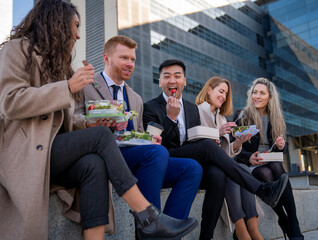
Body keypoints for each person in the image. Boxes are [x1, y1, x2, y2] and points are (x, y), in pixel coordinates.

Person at [0, 1, 197, 240]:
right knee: (107, 141)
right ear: (57, 23)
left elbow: (69, 119)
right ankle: (148, 217)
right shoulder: (15, 50)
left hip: (61, 152)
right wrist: (68, 87)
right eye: (75, 26)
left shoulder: (65, 68)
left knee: (93, 164)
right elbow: (10, 102)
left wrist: (88, 124)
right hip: (27, 152)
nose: (78, 34)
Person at [143, 59, 288, 240]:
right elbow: (155, 144)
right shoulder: (149, 107)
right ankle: (261, 189)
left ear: (184, 81)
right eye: (167, 76)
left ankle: (206, 236)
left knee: (217, 174)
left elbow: (193, 139)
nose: (172, 80)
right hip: (167, 159)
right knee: (207, 146)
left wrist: (224, 141)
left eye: (177, 76)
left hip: (191, 162)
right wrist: (171, 118)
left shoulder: (189, 108)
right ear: (160, 81)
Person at [80, 35, 202, 220]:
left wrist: (148, 139)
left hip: (131, 159)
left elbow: (136, 135)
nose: (130, 63)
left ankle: (168, 228)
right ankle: (152, 226)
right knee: (157, 153)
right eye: (124, 58)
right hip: (102, 157)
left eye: (133, 59)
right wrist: (100, 121)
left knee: (192, 168)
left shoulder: (135, 98)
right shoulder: (86, 86)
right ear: (106, 58)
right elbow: (72, 123)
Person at [233, 77, 304, 240]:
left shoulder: (276, 118)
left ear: (270, 97)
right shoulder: (242, 115)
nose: (257, 96)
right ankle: (288, 221)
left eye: (262, 93)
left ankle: (291, 221)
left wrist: (281, 145)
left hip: (271, 161)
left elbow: (284, 149)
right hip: (251, 164)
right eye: (254, 93)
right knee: (267, 173)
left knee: (277, 168)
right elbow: (232, 146)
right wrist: (249, 157)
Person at [196, 76, 264, 240]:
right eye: (221, 91)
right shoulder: (197, 110)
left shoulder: (221, 118)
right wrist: (217, 133)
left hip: (221, 163)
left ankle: (252, 228)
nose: (224, 96)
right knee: (233, 172)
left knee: (242, 168)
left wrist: (239, 141)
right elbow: (193, 140)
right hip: (204, 166)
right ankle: (241, 230)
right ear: (209, 90)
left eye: (226, 93)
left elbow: (225, 152)